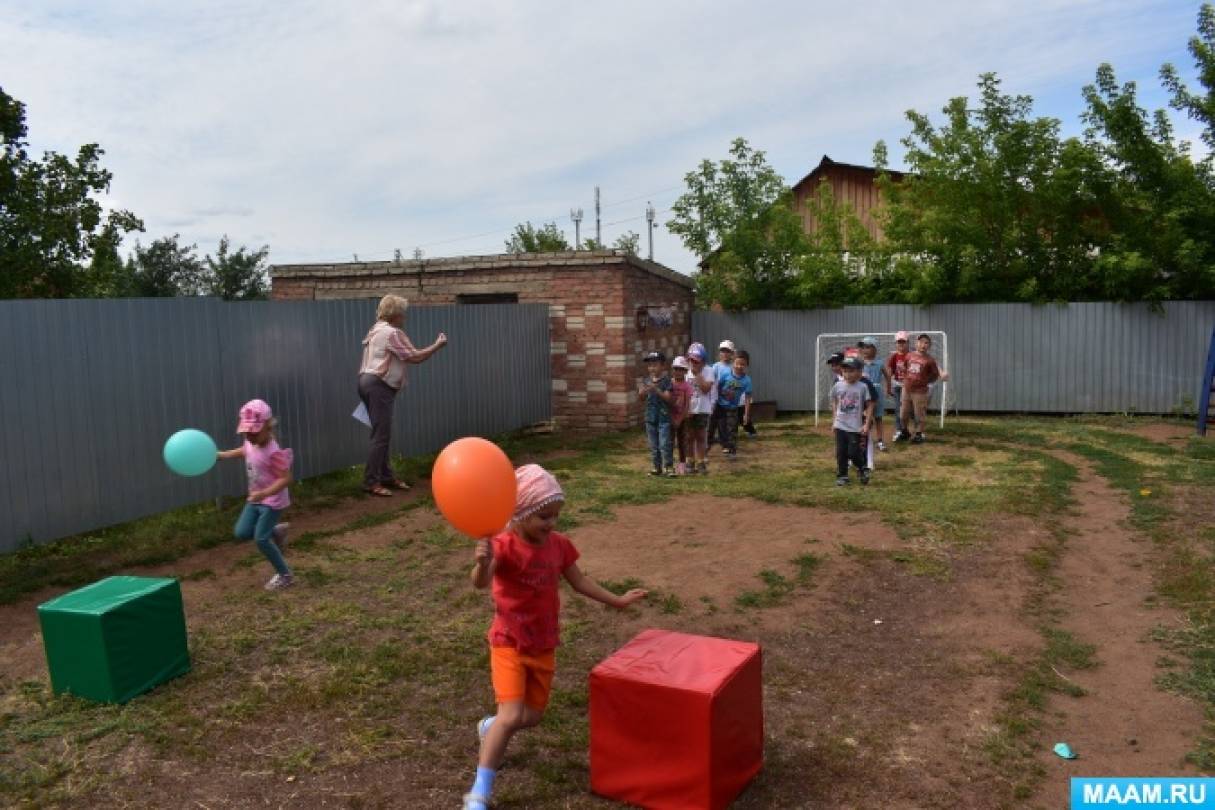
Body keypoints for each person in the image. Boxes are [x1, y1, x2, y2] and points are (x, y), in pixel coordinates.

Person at [465, 465, 647, 810]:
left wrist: (618, 600)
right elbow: (479, 582)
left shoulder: (559, 546)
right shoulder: (502, 546)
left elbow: (580, 582)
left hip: (543, 643)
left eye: (555, 516)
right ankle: (479, 792)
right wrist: (481, 562)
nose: (551, 523)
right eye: (543, 516)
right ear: (520, 513)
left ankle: (488, 727)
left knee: (531, 718)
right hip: (508, 642)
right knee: (511, 715)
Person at [358, 294, 447, 497]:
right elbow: (414, 357)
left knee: (382, 434)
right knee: (380, 436)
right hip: (378, 386)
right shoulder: (392, 333)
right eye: (402, 314)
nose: (404, 318)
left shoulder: (375, 329)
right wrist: (437, 345)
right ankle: (371, 481)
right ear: (394, 314)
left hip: (366, 382)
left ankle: (386, 476)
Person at [217, 399, 296, 590]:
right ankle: (276, 532)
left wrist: (264, 494)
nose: (249, 436)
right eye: (246, 431)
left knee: (261, 539)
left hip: (272, 500)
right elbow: (244, 450)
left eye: (254, 431)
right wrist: (223, 455)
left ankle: (285, 575)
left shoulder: (274, 452)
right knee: (241, 532)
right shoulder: (250, 441)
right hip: (255, 498)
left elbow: (286, 478)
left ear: (268, 427)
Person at [898, 333, 949, 444]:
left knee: (919, 414)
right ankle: (904, 431)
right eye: (921, 342)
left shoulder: (930, 360)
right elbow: (905, 368)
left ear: (929, 346)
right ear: (916, 343)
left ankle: (919, 434)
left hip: (920, 392)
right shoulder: (909, 355)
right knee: (903, 413)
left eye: (926, 343)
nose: (923, 345)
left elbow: (935, 375)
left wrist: (925, 382)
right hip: (906, 389)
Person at [830, 357, 873, 486]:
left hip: (855, 427)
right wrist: (834, 420)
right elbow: (834, 401)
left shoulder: (862, 387)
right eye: (845, 371)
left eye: (851, 371)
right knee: (841, 452)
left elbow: (870, 404)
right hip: (840, 425)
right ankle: (843, 476)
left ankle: (862, 468)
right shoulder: (838, 385)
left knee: (853, 452)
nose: (848, 374)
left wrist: (866, 424)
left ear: (860, 372)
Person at [638, 350, 675, 476]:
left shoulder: (667, 381)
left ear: (663, 366)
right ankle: (656, 467)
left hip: (664, 417)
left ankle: (669, 467)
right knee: (653, 444)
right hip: (650, 417)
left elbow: (669, 399)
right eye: (650, 365)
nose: (652, 368)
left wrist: (656, 390)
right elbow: (641, 398)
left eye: (655, 364)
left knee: (664, 443)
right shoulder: (646, 381)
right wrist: (642, 392)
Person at [684, 342, 716, 475]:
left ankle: (701, 462)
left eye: (697, 361)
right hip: (689, 410)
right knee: (689, 437)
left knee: (701, 436)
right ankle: (690, 461)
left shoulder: (708, 371)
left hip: (702, 409)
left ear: (703, 361)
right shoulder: (685, 372)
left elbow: (706, 389)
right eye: (691, 360)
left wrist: (698, 375)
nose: (693, 363)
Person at [715, 349, 753, 459]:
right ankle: (724, 446)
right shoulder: (726, 374)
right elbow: (717, 387)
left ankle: (732, 450)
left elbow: (747, 397)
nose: (739, 366)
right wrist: (714, 401)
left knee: (732, 429)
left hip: (733, 408)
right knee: (722, 428)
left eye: (743, 364)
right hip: (720, 406)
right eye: (737, 363)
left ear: (747, 365)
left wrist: (746, 414)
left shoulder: (747, 380)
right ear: (733, 363)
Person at [858, 337, 887, 452]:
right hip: (863, 393)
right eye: (863, 347)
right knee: (864, 417)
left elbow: (887, 376)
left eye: (868, 347)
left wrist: (888, 389)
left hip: (877, 393)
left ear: (875, 349)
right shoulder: (859, 363)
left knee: (878, 418)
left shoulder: (879, 363)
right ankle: (863, 439)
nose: (865, 350)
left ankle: (880, 441)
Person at [707, 340, 735, 449]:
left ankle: (725, 443)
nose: (725, 354)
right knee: (712, 421)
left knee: (724, 422)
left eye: (728, 351)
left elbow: (735, 382)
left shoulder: (733, 367)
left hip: (727, 400)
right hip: (715, 399)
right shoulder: (716, 366)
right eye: (722, 351)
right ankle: (708, 441)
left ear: (732, 353)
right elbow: (712, 381)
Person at [669, 356, 694, 474]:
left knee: (682, 441)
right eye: (676, 369)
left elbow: (687, 404)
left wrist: (681, 418)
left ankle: (682, 464)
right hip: (669, 417)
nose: (678, 372)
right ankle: (668, 464)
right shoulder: (669, 383)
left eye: (681, 369)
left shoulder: (687, 386)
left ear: (685, 371)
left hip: (682, 418)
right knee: (668, 441)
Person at [886, 331, 911, 440]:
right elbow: (889, 371)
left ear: (908, 343)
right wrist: (888, 386)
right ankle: (899, 430)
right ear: (896, 343)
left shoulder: (912, 355)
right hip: (897, 385)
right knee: (897, 408)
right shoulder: (894, 356)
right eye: (899, 342)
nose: (901, 344)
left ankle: (911, 429)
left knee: (909, 409)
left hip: (909, 386)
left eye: (903, 342)